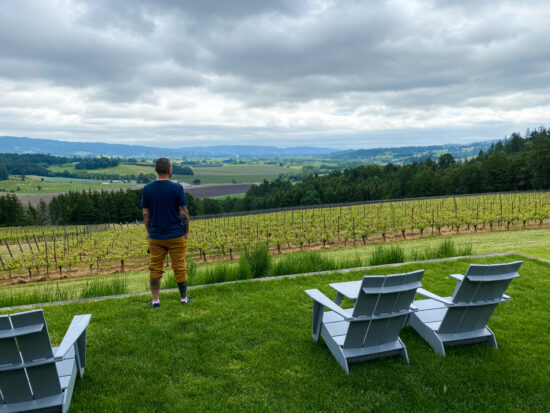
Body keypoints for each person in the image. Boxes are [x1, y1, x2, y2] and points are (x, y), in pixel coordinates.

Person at [140, 157, 193, 308]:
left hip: (156, 236)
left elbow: (145, 213)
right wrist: (186, 231)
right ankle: (183, 298)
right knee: (179, 267)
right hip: (176, 235)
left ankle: (156, 300)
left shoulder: (148, 189)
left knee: (155, 268)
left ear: (156, 170)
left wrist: (149, 231)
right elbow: (184, 213)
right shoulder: (177, 188)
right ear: (170, 170)